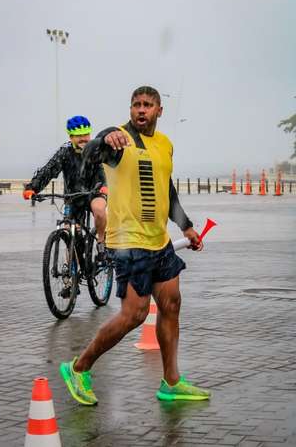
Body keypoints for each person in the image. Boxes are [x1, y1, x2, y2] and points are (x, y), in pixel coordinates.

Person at [59, 87, 211, 405]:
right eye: (136, 105)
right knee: (135, 314)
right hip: (129, 243)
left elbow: (166, 188)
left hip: (160, 241)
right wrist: (104, 137)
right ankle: (78, 367)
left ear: (159, 110)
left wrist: (186, 225)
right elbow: (89, 155)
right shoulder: (119, 141)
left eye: (147, 105)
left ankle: (171, 382)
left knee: (171, 305)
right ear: (130, 109)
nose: (141, 110)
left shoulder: (165, 145)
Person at [23, 116, 107, 253]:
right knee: (70, 232)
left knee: (99, 210)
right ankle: (72, 267)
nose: (83, 139)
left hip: (94, 193)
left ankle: (101, 241)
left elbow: (100, 171)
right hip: (72, 197)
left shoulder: (94, 150)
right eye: (78, 136)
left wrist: (103, 186)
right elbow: (48, 170)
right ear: (71, 136)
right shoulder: (65, 152)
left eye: (86, 134)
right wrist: (32, 188)